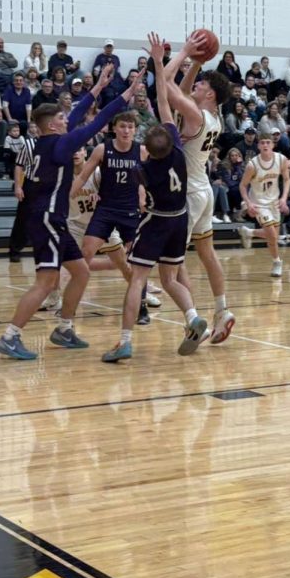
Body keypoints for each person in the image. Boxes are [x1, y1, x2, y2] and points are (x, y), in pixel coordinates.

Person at [0, 64, 139, 360]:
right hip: (47, 218)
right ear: (52, 125)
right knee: (46, 281)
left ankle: (64, 328)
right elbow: (98, 119)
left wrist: (97, 87)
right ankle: (10, 336)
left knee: (81, 272)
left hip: (50, 218)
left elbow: (77, 114)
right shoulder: (60, 147)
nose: (67, 118)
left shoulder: (44, 142)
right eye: (62, 117)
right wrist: (126, 93)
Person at [101, 33, 208, 363]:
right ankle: (192, 318)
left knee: (138, 279)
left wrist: (159, 61)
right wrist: (160, 63)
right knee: (171, 278)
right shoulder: (177, 149)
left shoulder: (144, 166)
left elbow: (140, 194)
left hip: (159, 221)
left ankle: (125, 340)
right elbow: (163, 99)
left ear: (148, 148)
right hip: (181, 219)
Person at [161, 32, 235, 345]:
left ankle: (194, 320)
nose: (198, 86)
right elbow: (185, 90)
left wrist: (183, 53)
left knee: (172, 267)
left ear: (211, 95)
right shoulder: (212, 118)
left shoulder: (195, 114)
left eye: (204, 84)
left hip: (188, 194)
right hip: (202, 188)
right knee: (207, 253)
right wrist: (195, 63)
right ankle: (222, 310)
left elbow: (165, 86)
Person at [72, 110, 151, 324]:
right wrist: (67, 196)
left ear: (135, 130)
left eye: (130, 127)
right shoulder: (102, 149)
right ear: (114, 129)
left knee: (136, 262)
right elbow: (83, 175)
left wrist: (145, 197)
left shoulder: (142, 152)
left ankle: (142, 307)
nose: (126, 130)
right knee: (86, 251)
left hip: (131, 212)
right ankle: (71, 302)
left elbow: (148, 180)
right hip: (105, 210)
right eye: (122, 126)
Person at [238, 133, 290, 278]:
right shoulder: (252, 165)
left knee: (272, 236)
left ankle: (248, 233)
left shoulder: (281, 160)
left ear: (273, 145)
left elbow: (287, 180)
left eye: (268, 142)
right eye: (262, 142)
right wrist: (248, 204)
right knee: (273, 237)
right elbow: (243, 186)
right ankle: (277, 262)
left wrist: (284, 198)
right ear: (258, 146)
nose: (265, 145)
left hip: (275, 202)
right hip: (258, 203)